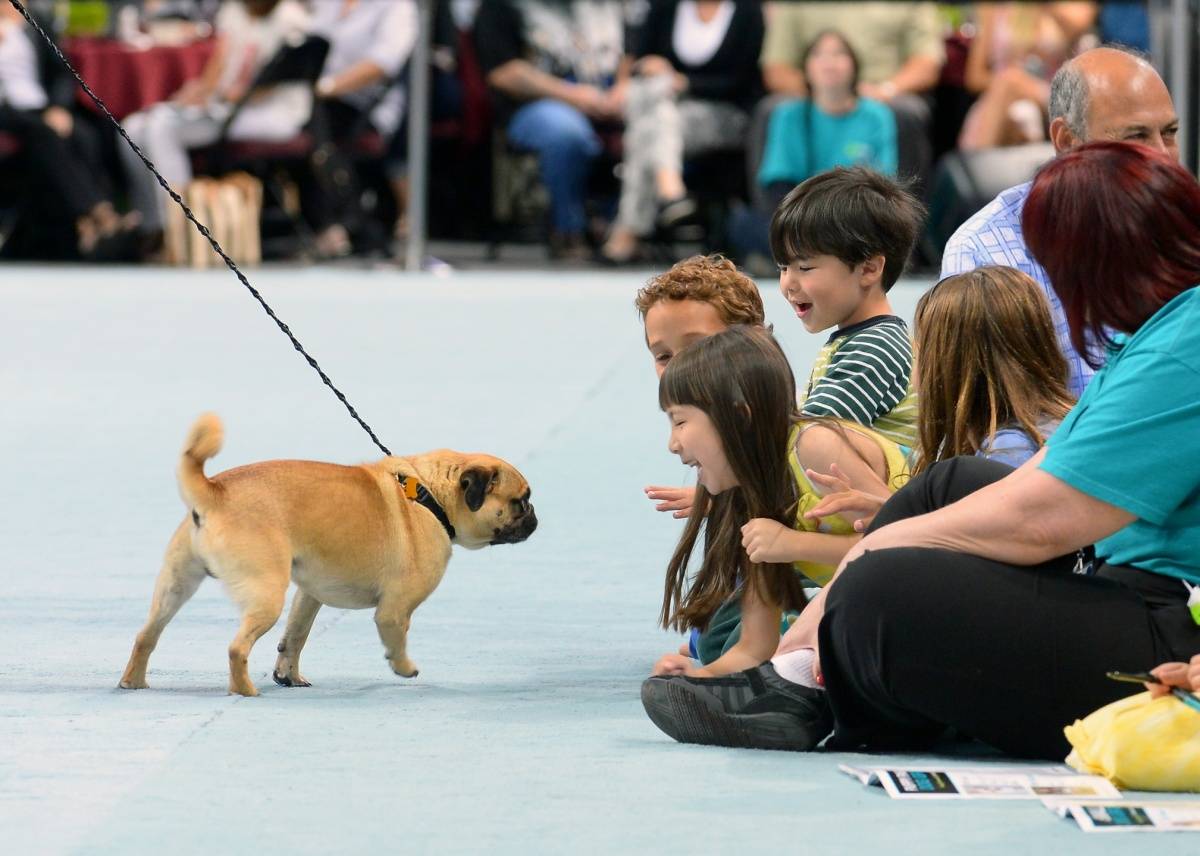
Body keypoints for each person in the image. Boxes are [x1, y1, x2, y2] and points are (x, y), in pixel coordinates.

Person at [642, 141, 1200, 759]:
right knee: (942, 485)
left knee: (880, 591)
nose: (1060, 289)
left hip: (1171, 625)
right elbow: (1048, 473)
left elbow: (1045, 520)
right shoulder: (1154, 329)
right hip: (1130, 585)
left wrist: (879, 544)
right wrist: (895, 527)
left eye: (1061, 266)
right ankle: (793, 678)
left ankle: (824, 689)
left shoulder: (1185, 341)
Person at [650, 325, 906, 687]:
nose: (672, 444)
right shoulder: (753, 495)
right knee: (718, 645)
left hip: (943, 585)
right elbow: (756, 647)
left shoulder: (813, 448)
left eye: (679, 421)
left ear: (740, 417)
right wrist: (696, 677)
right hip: (878, 602)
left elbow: (909, 546)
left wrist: (793, 545)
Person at [941, 45, 1180, 397]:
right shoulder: (984, 252)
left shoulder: (1184, 237)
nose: (1161, 155)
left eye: (1170, 132)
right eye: (1136, 136)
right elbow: (989, 429)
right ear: (1067, 141)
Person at [805, 265, 1076, 534]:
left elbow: (983, 548)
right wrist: (889, 510)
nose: (915, 357)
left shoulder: (1007, 451)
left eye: (923, 346)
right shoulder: (1037, 431)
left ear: (953, 363)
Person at [119, 0, 312, 249]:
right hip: (228, 107)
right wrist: (200, 92)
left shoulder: (292, 18)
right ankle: (152, 226)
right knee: (133, 127)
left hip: (273, 113)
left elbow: (276, 80)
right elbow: (220, 62)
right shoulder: (234, 10)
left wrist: (220, 98)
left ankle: (181, 230)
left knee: (162, 128)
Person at [599, 0, 764, 265]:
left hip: (726, 113)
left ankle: (633, 225)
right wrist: (651, 67)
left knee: (654, 119)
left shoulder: (748, 10)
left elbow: (743, 81)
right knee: (657, 112)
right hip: (667, 111)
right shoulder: (665, 6)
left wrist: (684, 82)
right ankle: (671, 191)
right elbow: (639, 58)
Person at [773, 167, 923, 449]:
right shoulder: (858, 340)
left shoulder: (876, 346)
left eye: (804, 267)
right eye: (783, 267)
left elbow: (810, 442)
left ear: (869, 269)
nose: (788, 284)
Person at [729, 29, 896, 266]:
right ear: (806, 68)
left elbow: (883, 185)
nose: (829, 63)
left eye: (839, 54)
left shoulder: (876, 115)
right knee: (741, 223)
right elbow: (778, 184)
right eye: (819, 55)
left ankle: (796, 258)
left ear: (854, 66)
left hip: (855, 219)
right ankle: (801, 256)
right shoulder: (788, 114)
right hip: (801, 220)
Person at [475, 0, 625, 259]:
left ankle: (622, 229)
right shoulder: (500, 6)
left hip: (605, 97)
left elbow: (632, 51)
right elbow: (503, 73)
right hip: (534, 107)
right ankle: (568, 230)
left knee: (654, 120)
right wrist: (573, 96)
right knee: (566, 132)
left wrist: (621, 90)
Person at [0, 1, 139, 259]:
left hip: (38, 107)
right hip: (6, 112)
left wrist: (60, 108)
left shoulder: (35, 19)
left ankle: (87, 225)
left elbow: (62, 72)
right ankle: (98, 214)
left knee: (83, 132)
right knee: (44, 134)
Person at [760, 1, 944, 186]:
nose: (831, 62)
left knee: (906, 112)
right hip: (810, 92)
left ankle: (908, 209)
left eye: (839, 55)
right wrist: (820, 90)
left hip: (884, 92)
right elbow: (776, 67)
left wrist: (886, 90)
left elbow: (927, 63)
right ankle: (769, 211)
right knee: (771, 109)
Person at [305, 0, 419, 257]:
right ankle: (342, 222)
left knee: (316, 123)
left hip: (367, 105)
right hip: (317, 99)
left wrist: (328, 87)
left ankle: (344, 223)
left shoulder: (397, 6)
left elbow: (383, 63)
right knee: (306, 118)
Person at [957, 2, 1096, 151]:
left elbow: (1081, 19)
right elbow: (974, 78)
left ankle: (977, 161)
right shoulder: (992, 8)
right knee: (1018, 108)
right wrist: (1010, 86)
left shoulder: (1065, 9)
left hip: (1053, 95)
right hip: (996, 98)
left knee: (1018, 99)